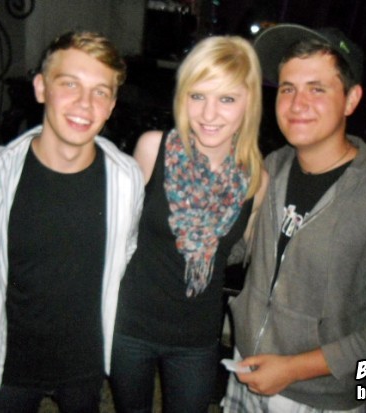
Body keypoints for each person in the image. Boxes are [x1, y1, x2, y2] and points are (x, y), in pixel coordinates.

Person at [223, 24, 366, 412]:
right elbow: (240, 245)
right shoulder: (272, 167)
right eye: (287, 88)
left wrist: (294, 369)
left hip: (320, 397)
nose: (297, 104)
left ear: (351, 99)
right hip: (247, 367)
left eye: (317, 89)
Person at [0, 31, 144, 413]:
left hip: (86, 365)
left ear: (111, 105)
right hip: (7, 365)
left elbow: (124, 260)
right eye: (69, 84)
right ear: (40, 88)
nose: (84, 103)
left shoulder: (126, 178)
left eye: (100, 91)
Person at [109, 35, 269, 413]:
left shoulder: (256, 179)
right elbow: (120, 234)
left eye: (226, 99)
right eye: (198, 95)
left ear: (249, 103)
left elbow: (238, 255)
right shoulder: (152, 148)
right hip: (131, 324)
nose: (208, 114)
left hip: (196, 336)